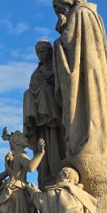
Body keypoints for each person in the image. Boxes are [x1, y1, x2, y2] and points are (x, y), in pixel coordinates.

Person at [51, 0, 107, 162]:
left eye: (58, 8)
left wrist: (59, 36)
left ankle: (86, 143)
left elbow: (69, 42)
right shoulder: (91, 13)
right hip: (91, 71)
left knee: (83, 109)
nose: (58, 12)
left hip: (84, 74)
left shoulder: (79, 13)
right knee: (89, 107)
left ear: (64, 4)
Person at [22, 40, 64, 189]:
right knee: (27, 93)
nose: (40, 55)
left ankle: (58, 176)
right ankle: (46, 180)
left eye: (43, 51)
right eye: (38, 52)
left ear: (49, 51)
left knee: (57, 150)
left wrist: (46, 88)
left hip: (56, 118)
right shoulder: (36, 74)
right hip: (40, 122)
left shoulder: (57, 68)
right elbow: (32, 91)